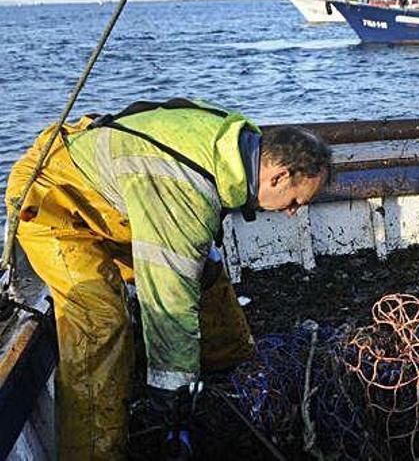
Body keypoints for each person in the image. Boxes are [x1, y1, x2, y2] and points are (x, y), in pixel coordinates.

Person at [4, 98, 332, 459]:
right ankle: (93, 452)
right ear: (278, 175)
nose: (292, 213)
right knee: (101, 322)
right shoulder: (186, 193)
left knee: (206, 275)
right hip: (55, 201)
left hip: (122, 198)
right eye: (295, 202)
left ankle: (229, 376)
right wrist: (170, 391)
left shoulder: (238, 145)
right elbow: (168, 300)